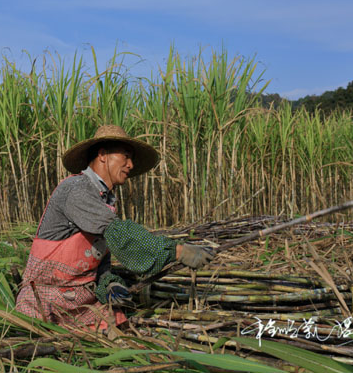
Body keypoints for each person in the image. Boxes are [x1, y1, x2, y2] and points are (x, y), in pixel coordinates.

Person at [15, 125, 215, 330]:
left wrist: (109, 284)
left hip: (81, 302)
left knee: (119, 327)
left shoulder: (105, 201)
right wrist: (177, 251)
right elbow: (122, 235)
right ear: (103, 154)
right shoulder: (76, 190)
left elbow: (100, 264)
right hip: (46, 302)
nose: (130, 164)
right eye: (126, 157)